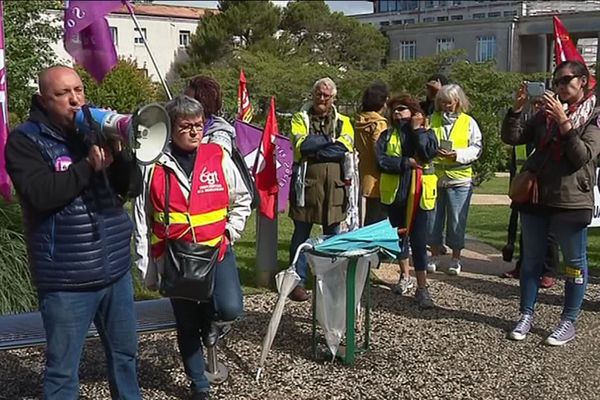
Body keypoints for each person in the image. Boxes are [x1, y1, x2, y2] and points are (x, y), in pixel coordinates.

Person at [5, 65, 142, 399]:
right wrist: (86, 167)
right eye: (63, 94)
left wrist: (121, 156)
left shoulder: (91, 131)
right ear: (43, 99)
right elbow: (41, 194)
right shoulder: (25, 140)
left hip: (114, 271)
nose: (75, 100)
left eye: (78, 90)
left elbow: (132, 188)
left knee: (125, 357)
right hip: (67, 279)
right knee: (63, 369)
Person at [134, 95, 251, 399]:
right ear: (171, 129)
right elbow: (142, 221)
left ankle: (211, 324)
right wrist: (147, 268)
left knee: (230, 307)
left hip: (216, 252)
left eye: (199, 125)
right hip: (175, 259)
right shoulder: (153, 165)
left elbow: (242, 199)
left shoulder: (218, 155)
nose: (195, 131)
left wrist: (230, 233)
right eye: (186, 126)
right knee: (186, 325)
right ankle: (199, 383)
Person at [502, 60, 600, 346]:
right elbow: (513, 137)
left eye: (567, 80)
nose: (560, 86)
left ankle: (568, 321)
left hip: (571, 200)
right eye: (556, 81)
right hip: (536, 196)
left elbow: (582, 156)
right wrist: (517, 110)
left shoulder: (594, 115)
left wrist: (564, 121)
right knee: (531, 259)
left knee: (574, 263)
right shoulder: (543, 114)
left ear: (583, 81)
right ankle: (526, 315)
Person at [288, 77, 355, 302]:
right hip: (306, 186)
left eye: (327, 95)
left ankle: (330, 279)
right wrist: (328, 141)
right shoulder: (300, 118)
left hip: (334, 188)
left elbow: (343, 149)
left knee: (333, 234)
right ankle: (297, 280)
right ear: (312, 94)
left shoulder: (344, 121)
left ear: (334, 97)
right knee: (301, 234)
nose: (322, 99)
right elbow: (301, 146)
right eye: (319, 94)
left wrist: (317, 147)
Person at [376, 95, 439, 307]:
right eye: (394, 110)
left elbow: (428, 153)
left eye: (402, 109)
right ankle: (405, 276)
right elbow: (382, 161)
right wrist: (406, 163)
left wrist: (419, 130)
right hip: (395, 195)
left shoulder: (427, 134)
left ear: (414, 112)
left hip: (420, 195)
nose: (396, 114)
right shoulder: (386, 135)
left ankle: (423, 288)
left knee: (419, 242)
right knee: (399, 239)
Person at [501, 96, 557, 289]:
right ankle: (522, 265)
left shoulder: (557, 123)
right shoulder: (532, 124)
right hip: (526, 183)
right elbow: (512, 137)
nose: (539, 107)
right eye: (536, 104)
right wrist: (516, 108)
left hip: (549, 185)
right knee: (526, 229)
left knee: (549, 233)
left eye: (543, 103)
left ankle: (548, 271)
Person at [427, 84, 482, 275]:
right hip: (435, 178)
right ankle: (434, 254)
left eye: (449, 103)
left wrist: (457, 155)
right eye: (441, 102)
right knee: (433, 220)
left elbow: (476, 148)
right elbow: (424, 143)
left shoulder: (468, 122)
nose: (445, 106)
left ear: (458, 102)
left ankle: (456, 258)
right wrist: (433, 151)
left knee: (457, 221)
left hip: (460, 179)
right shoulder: (432, 120)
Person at [354, 81, 390, 226]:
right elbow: (379, 150)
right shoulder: (379, 123)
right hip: (377, 179)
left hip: (362, 173)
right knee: (375, 221)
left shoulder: (357, 120)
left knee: (364, 218)